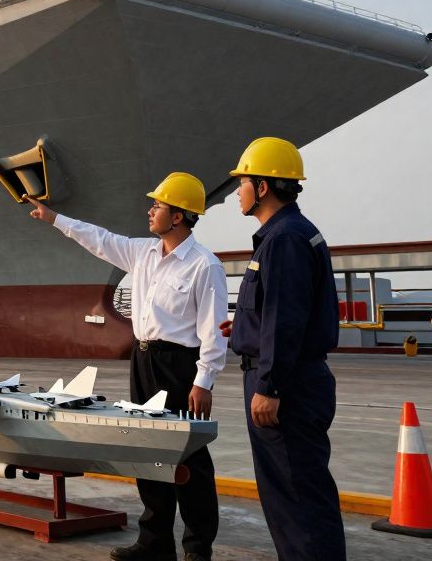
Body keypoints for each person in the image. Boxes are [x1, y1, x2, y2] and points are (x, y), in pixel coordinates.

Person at [27, 172, 227, 561]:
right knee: (147, 448)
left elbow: (213, 330)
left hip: (180, 366)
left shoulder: (205, 266)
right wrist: (55, 219)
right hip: (144, 359)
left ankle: (198, 548)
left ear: (179, 216)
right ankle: (155, 542)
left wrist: (204, 381)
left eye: (158, 205)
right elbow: (99, 239)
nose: (150, 210)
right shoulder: (142, 253)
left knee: (189, 457)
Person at [217, 137, 344, 561]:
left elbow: (286, 319)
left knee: (296, 498)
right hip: (292, 377)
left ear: (264, 186)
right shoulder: (291, 233)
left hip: (285, 386)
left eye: (243, 181)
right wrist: (247, 326)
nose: (238, 191)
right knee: (293, 496)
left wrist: (269, 386)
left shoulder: (284, 239)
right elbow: (282, 310)